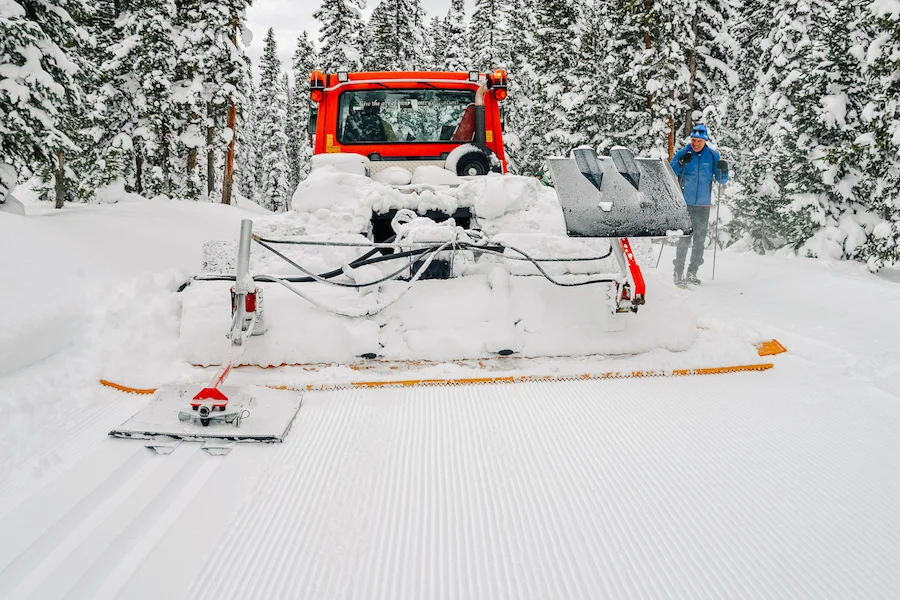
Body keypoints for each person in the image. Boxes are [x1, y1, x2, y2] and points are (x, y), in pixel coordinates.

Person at [669, 123, 729, 285]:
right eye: (693, 140)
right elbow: (671, 173)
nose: (695, 144)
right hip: (685, 204)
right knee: (684, 239)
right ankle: (678, 272)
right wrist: (680, 162)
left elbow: (721, 179)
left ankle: (692, 272)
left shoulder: (712, 156)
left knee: (699, 241)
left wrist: (724, 170)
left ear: (705, 141)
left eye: (699, 141)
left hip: (703, 205)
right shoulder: (683, 153)